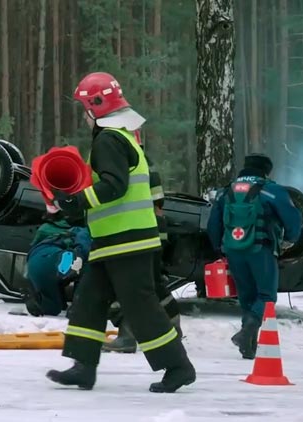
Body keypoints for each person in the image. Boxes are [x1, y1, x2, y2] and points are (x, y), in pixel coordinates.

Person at [46, 72, 196, 393]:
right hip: (113, 242)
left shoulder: (108, 139)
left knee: (140, 305)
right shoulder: (124, 136)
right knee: (88, 300)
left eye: (84, 108)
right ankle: (83, 367)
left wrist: (77, 201)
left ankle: (178, 366)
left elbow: (114, 185)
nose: (83, 117)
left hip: (127, 241)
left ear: (94, 108)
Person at [206, 153, 302, 359]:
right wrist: (290, 240)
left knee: (247, 296)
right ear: (266, 171)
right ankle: (248, 330)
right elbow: (293, 220)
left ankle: (247, 346)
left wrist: (218, 248)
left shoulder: (226, 192)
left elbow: (213, 224)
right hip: (261, 250)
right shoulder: (272, 190)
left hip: (233, 250)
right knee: (267, 296)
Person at [102, 148, 183, 353]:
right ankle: (173, 326)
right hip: (153, 226)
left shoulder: (121, 159)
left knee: (126, 283)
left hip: (136, 228)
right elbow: (157, 199)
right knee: (151, 282)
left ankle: (127, 335)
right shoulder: (143, 160)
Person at [24, 210, 91, 317]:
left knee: (52, 308)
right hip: (58, 259)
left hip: (35, 261)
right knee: (90, 267)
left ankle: (40, 302)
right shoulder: (83, 230)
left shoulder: (45, 228)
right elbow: (83, 249)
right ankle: (79, 306)